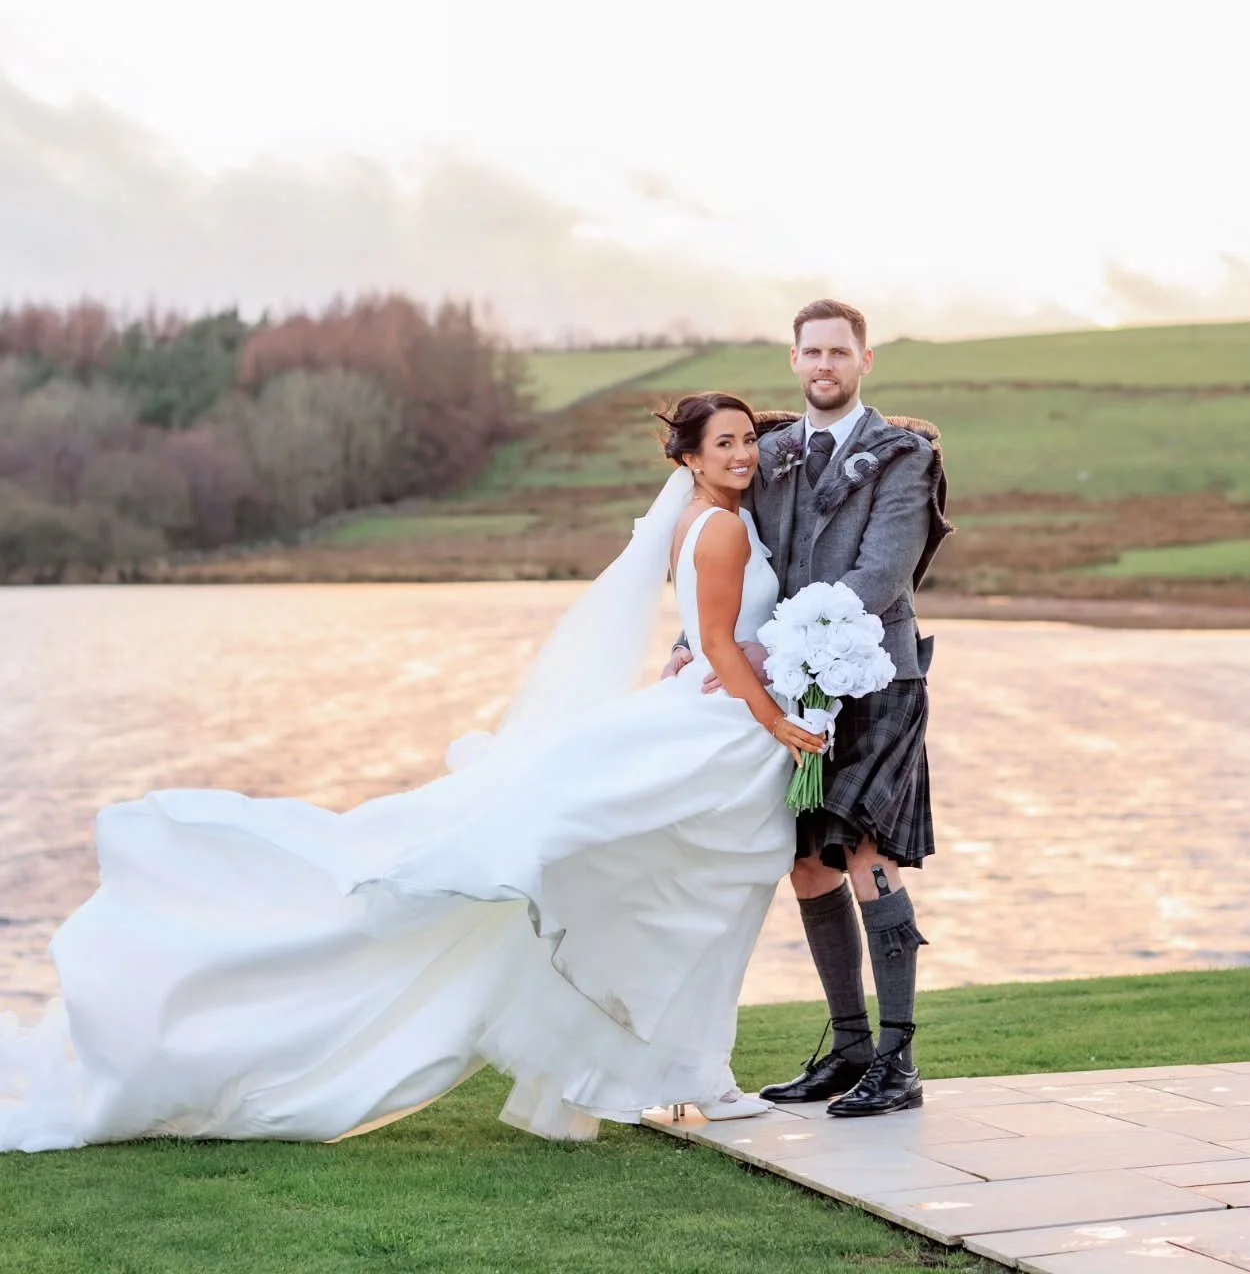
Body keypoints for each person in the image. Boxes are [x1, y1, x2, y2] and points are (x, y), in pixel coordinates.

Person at [0, 393, 824, 1153]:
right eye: (724, 443)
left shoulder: (710, 518)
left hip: (716, 723)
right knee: (699, 892)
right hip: (724, 730)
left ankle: (685, 1073)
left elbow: (712, 641)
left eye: (750, 439)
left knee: (690, 891)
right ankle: (697, 1077)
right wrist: (781, 719)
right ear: (688, 458)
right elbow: (716, 644)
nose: (743, 454)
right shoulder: (717, 530)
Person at [666, 299, 950, 1117]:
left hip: (878, 676)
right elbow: (733, 561)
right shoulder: (773, 452)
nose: (824, 366)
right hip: (790, 693)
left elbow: (881, 573)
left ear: (865, 361)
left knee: (865, 853)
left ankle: (897, 1065)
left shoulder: (904, 455)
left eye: (839, 352)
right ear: (794, 362)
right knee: (807, 864)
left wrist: (769, 646)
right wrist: (702, 642)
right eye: (811, 353)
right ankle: (849, 1051)